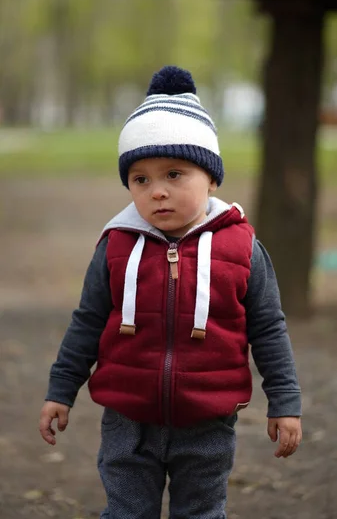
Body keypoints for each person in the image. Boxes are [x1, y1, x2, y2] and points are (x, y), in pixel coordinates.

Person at [39, 66, 302, 519]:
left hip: (207, 421)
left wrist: (286, 402)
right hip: (128, 420)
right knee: (126, 512)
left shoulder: (243, 248)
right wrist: (61, 390)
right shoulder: (116, 246)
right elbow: (86, 321)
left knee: (200, 513)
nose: (157, 192)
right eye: (140, 179)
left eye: (174, 174)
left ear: (212, 178)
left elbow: (268, 328)